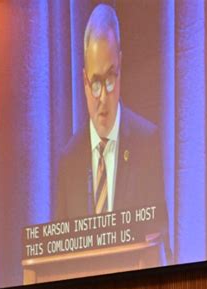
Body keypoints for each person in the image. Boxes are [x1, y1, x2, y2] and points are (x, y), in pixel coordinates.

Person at [55, 4, 170, 259]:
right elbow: (57, 263)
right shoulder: (68, 161)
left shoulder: (146, 143)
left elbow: (161, 246)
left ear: (121, 67)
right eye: (96, 83)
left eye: (110, 78)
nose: (103, 96)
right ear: (84, 81)